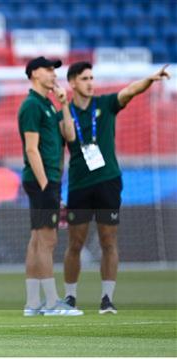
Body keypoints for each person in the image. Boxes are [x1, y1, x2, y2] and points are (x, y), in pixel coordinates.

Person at [63, 62, 171, 314]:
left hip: (108, 181)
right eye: (84, 78)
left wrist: (150, 79)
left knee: (108, 240)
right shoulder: (65, 114)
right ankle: (69, 297)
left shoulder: (106, 104)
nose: (90, 82)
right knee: (75, 243)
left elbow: (130, 91)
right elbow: (63, 143)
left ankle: (107, 299)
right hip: (79, 184)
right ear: (72, 83)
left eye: (92, 77)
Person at [18, 56, 82, 316]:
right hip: (42, 180)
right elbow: (31, 149)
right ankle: (53, 301)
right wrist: (46, 187)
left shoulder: (46, 104)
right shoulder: (32, 105)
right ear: (34, 73)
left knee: (37, 240)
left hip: (47, 180)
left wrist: (65, 104)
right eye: (48, 69)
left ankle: (33, 303)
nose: (54, 74)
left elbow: (70, 135)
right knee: (47, 240)